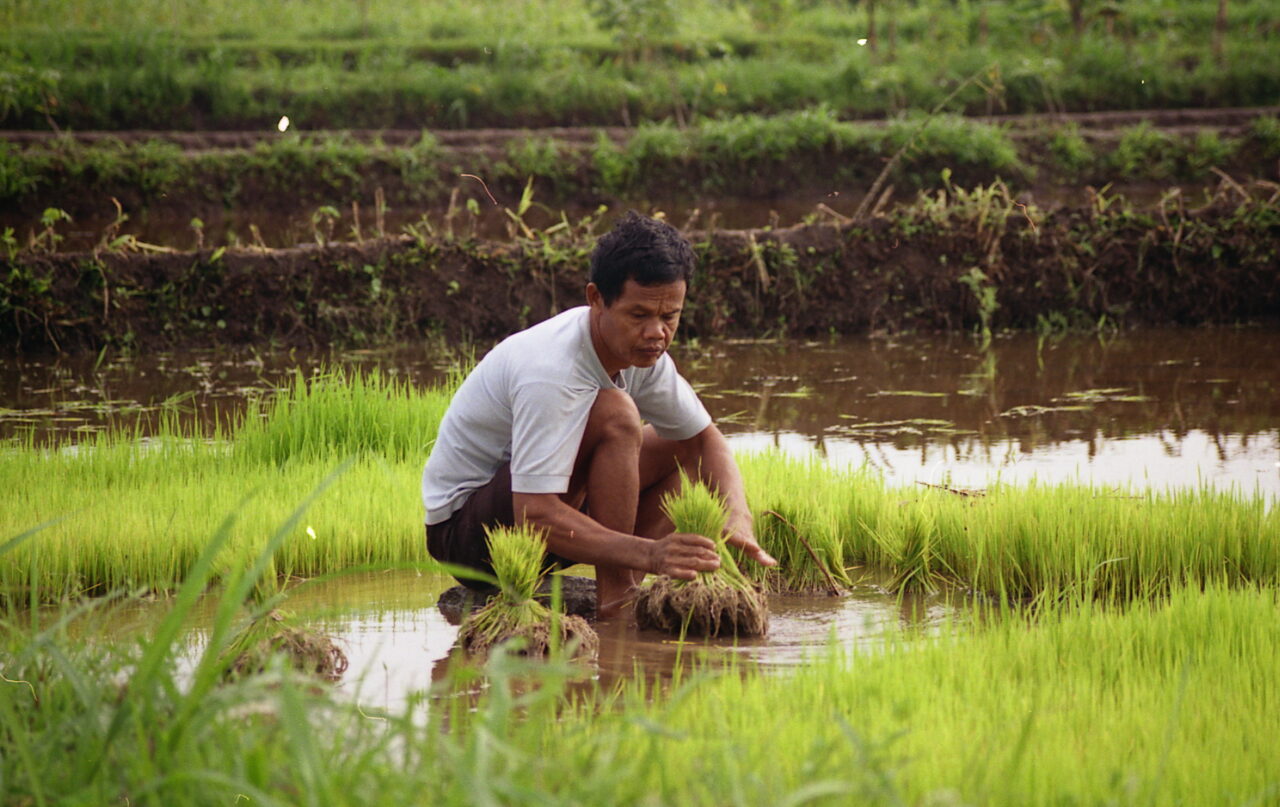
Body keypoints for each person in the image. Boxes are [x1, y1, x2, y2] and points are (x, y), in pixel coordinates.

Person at [421, 211, 776, 618]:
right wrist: (651, 554)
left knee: (680, 444)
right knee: (615, 412)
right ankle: (618, 597)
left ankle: (621, 587)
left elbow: (703, 438)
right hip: (469, 539)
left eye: (670, 316)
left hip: (551, 528)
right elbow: (533, 513)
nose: (657, 332)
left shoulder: (645, 354)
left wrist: (736, 515)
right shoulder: (551, 370)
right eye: (639, 315)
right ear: (596, 300)